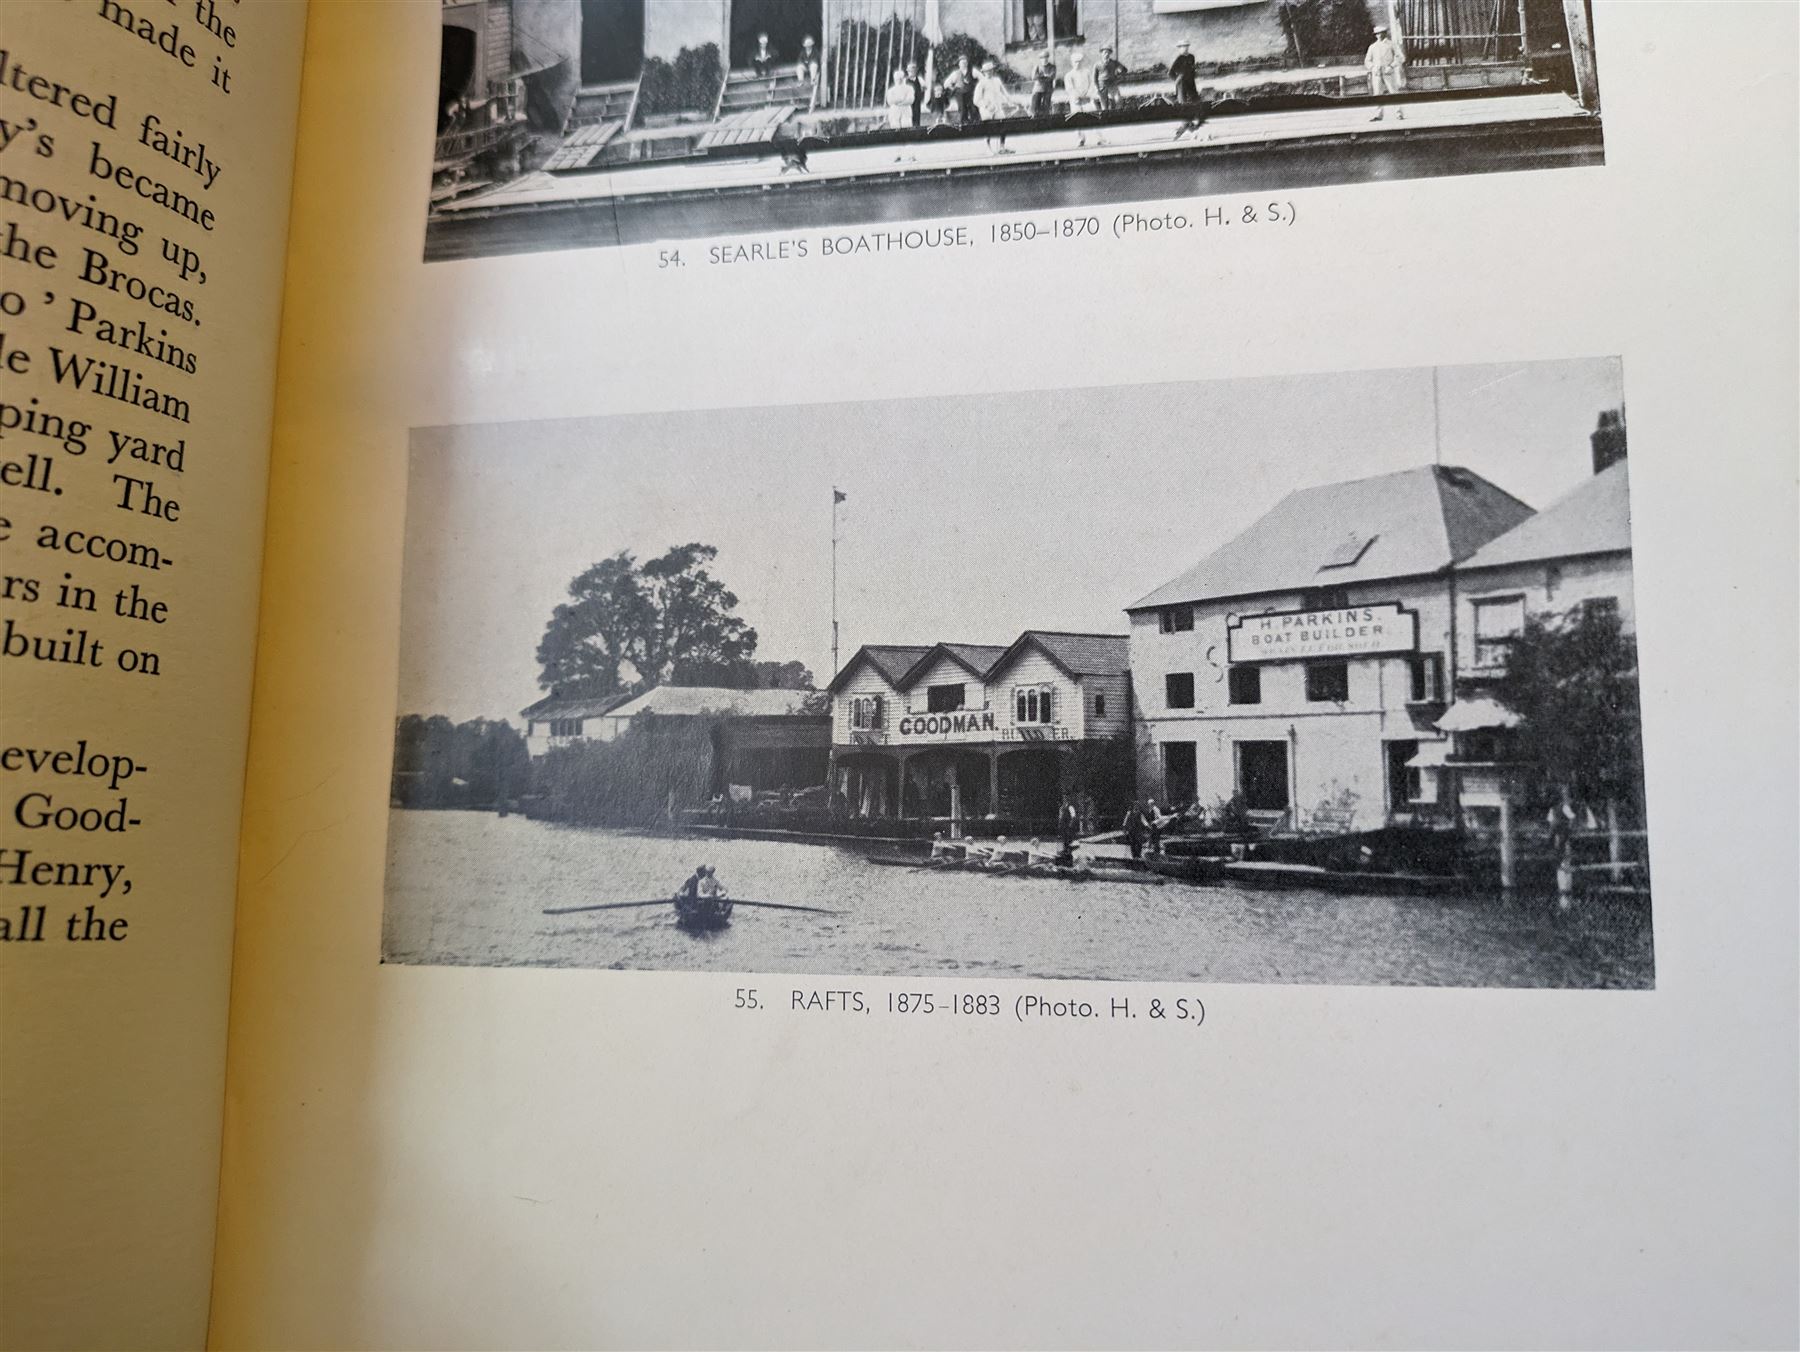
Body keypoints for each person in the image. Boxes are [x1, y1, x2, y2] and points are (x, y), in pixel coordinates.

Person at [1365, 23, 1406, 120]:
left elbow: (1400, 57)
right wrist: (1372, 68)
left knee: (1394, 92)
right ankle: (1378, 115)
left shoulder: (1391, 44)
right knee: (1377, 94)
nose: (1379, 35)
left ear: (1385, 33)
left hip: (1388, 72)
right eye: (1377, 34)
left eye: (1381, 33)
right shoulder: (1373, 46)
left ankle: (1399, 113)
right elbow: (1367, 60)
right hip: (1377, 73)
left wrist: (1391, 66)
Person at [974, 59, 1015, 153]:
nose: (989, 72)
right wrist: (986, 106)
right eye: (987, 71)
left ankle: (1002, 147)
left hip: (997, 108)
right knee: (988, 128)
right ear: (984, 72)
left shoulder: (997, 80)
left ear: (993, 70)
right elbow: (976, 100)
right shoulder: (981, 83)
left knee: (1003, 125)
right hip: (987, 110)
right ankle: (988, 148)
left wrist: (1010, 101)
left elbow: (1004, 92)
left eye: (991, 70)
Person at [1063, 49, 1099, 146]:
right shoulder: (1069, 75)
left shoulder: (1087, 72)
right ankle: (1080, 139)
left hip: (1087, 98)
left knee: (1094, 116)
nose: (1077, 64)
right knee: (1077, 118)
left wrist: (1088, 94)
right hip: (1076, 100)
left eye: (1079, 61)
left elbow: (1092, 84)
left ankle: (1098, 138)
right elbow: (1070, 89)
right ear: (1072, 63)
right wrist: (1077, 97)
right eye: (1075, 62)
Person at [1169, 39, 1203, 139]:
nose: (1185, 48)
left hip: (1191, 84)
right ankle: (1186, 126)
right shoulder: (1178, 58)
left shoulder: (1192, 57)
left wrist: (1193, 75)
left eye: (1186, 46)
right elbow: (1170, 72)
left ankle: (1187, 126)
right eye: (1182, 47)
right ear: (1179, 48)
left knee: (1195, 103)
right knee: (1183, 104)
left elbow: (1192, 69)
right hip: (1182, 85)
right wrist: (1177, 80)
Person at [942, 55, 978, 128]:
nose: (964, 64)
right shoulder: (955, 73)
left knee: (973, 109)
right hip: (960, 94)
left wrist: (978, 87)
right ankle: (963, 125)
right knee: (962, 110)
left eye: (965, 62)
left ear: (967, 63)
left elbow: (982, 79)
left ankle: (975, 125)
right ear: (959, 64)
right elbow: (946, 84)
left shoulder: (973, 71)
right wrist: (953, 88)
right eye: (962, 63)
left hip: (970, 93)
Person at [1097, 45, 1126, 112]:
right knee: (1104, 105)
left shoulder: (1114, 62)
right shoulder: (1097, 64)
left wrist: (1119, 72)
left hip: (1112, 85)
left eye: (1108, 52)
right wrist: (1097, 87)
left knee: (1118, 100)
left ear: (1110, 54)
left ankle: (1118, 114)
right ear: (1101, 54)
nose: (1106, 54)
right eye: (1104, 52)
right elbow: (1094, 78)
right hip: (1102, 86)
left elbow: (1124, 70)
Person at [1031, 51, 1058, 118]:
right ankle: (1035, 119)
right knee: (1035, 107)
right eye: (1042, 58)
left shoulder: (1052, 67)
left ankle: (1045, 119)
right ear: (1040, 59)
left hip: (1048, 89)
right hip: (1038, 89)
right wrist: (1045, 76)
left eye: (1045, 57)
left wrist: (1041, 77)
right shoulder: (1037, 67)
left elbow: (1052, 77)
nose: (1044, 59)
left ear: (1048, 58)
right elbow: (1034, 77)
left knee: (1046, 107)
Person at [1056, 796, 1081, 867]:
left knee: (1068, 845)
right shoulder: (1061, 808)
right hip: (1062, 829)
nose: (1064, 801)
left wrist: (1070, 826)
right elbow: (1060, 818)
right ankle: (1063, 862)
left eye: (1065, 800)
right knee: (1062, 845)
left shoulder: (1070, 807)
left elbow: (1073, 817)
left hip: (1068, 829)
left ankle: (1069, 863)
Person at [903, 60, 925, 127]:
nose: (912, 72)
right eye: (910, 71)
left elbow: (924, 86)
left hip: (916, 100)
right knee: (909, 115)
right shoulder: (905, 80)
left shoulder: (919, 79)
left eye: (913, 70)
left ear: (916, 71)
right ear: (907, 71)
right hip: (908, 101)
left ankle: (917, 127)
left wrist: (921, 93)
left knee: (917, 114)